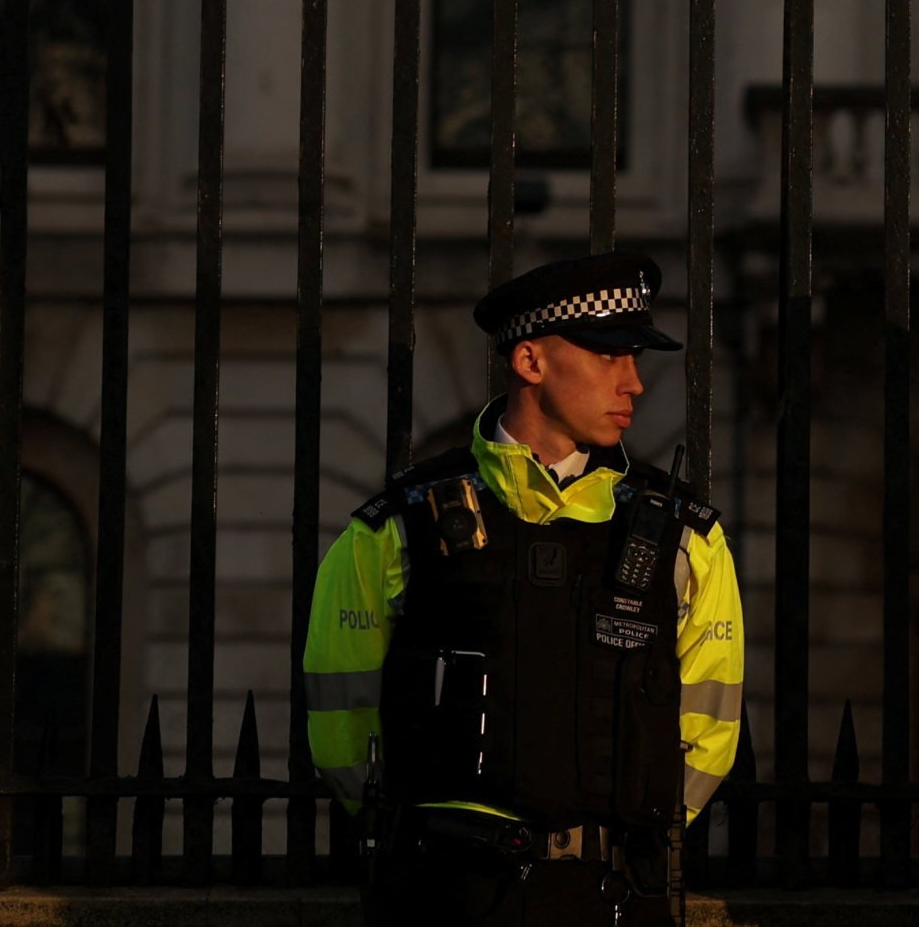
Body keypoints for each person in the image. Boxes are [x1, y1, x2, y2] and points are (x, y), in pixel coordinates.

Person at [301, 251, 745, 925]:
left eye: (634, 359)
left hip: (613, 896)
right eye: (608, 356)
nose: (634, 384)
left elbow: (708, 732)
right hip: (445, 895)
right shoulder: (394, 529)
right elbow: (342, 730)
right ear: (530, 362)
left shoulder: (687, 540)